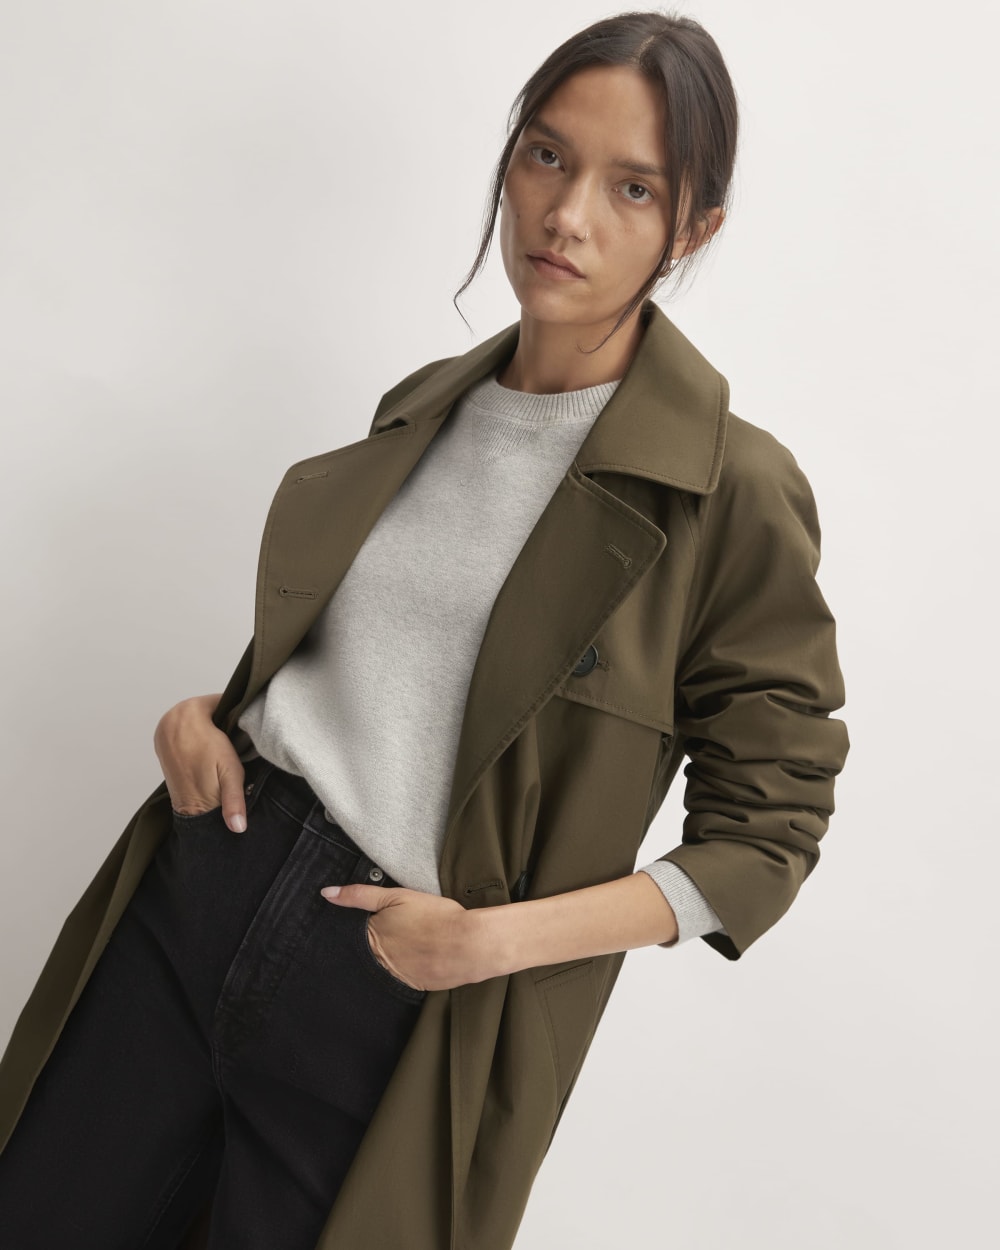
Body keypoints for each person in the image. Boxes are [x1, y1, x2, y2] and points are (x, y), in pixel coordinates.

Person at [0, 10, 849, 1250]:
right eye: (546, 156)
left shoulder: (729, 492)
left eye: (631, 187)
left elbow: (768, 830)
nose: (566, 215)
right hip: (199, 895)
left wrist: (488, 942)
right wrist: (202, 719)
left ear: (691, 229)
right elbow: (361, 680)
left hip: (393, 996)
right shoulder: (422, 409)